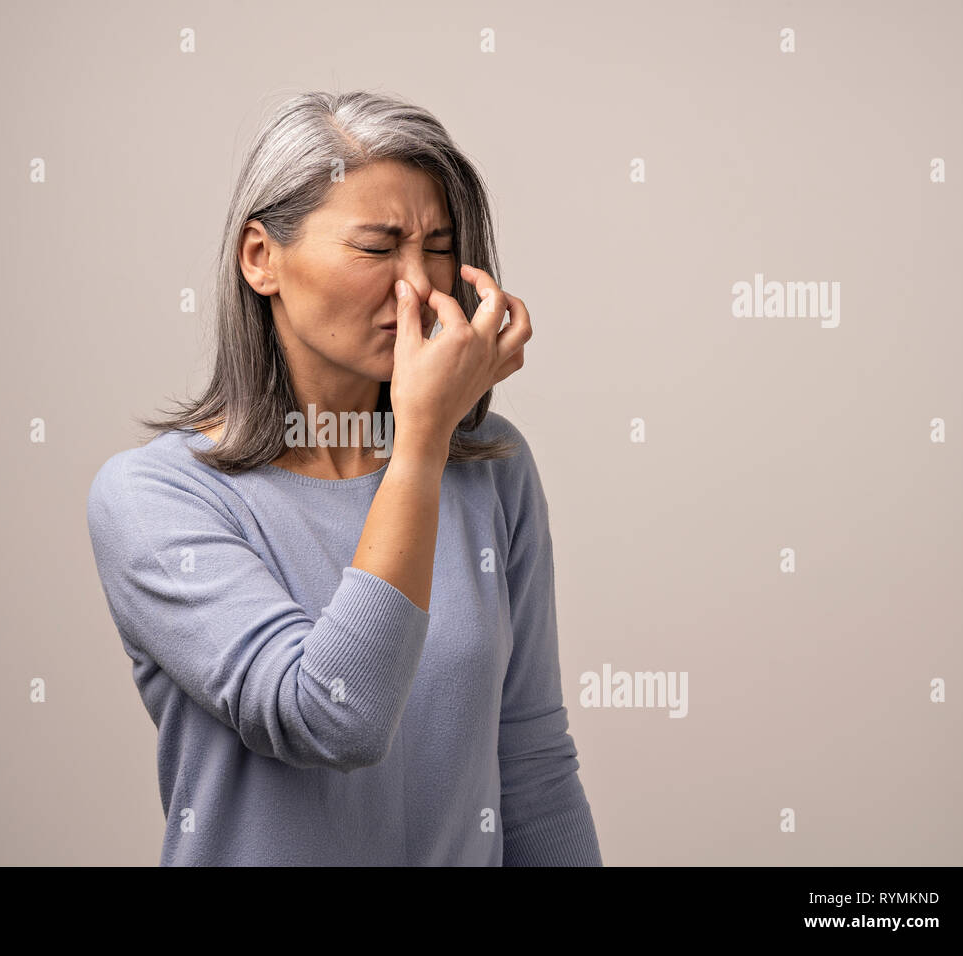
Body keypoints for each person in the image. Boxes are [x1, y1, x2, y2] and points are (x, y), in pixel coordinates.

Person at [86, 90, 602, 865]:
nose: (417, 285)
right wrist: (420, 446)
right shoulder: (154, 499)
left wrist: (428, 443)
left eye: (437, 245)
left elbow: (529, 763)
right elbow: (333, 717)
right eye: (377, 246)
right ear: (261, 259)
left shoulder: (493, 471)